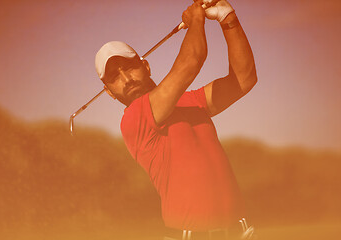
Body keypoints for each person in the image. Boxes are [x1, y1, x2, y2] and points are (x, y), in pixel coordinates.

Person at [94, 0, 257, 239]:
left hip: (239, 233)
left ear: (145, 66)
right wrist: (196, 18)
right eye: (114, 77)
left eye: (128, 66)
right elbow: (191, 61)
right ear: (108, 91)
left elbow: (244, 79)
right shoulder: (134, 119)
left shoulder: (191, 101)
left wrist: (227, 17)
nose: (126, 79)